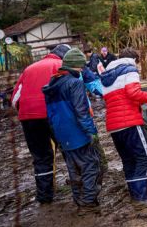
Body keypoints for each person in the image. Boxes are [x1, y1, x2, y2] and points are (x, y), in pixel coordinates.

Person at [101, 48, 147, 206]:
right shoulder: (130, 69)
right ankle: (142, 197)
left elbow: (117, 98)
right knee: (145, 157)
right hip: (129, 122)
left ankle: (135, 196)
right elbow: (133, 93)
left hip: (114, 124)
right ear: (135, 59)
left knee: (129, 161)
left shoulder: (106, 75)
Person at [10, 43, 70, 204]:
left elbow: (15, 99)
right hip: (54, 114)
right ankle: (79, 188)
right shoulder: (61, 65)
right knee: (69, 150)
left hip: (28, 117)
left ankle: (45, 196)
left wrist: (26, 112)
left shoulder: (29, 69)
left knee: (41, 157)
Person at [42, 48, 102, 208]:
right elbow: (81, 111)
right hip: (77, 132)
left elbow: (50, 114)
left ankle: (78, 200)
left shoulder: (52, 84)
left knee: (73, 169)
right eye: (81, 66)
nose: (82, 70)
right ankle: (89, 202)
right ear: (74, 65)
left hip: (61, 134)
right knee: (90, 165)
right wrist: (91, 131)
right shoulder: (74, 83)